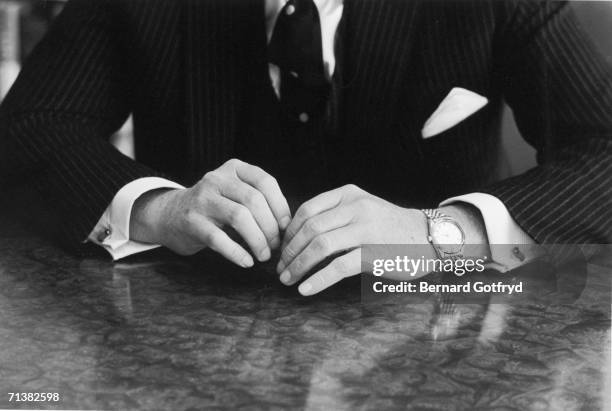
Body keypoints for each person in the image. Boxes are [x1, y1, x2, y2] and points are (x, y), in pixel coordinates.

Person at [0, 0, 610, 296]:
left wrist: (441, 235)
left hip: (446, 336)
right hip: (190, 339)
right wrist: (162, 210)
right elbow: (28, 127)